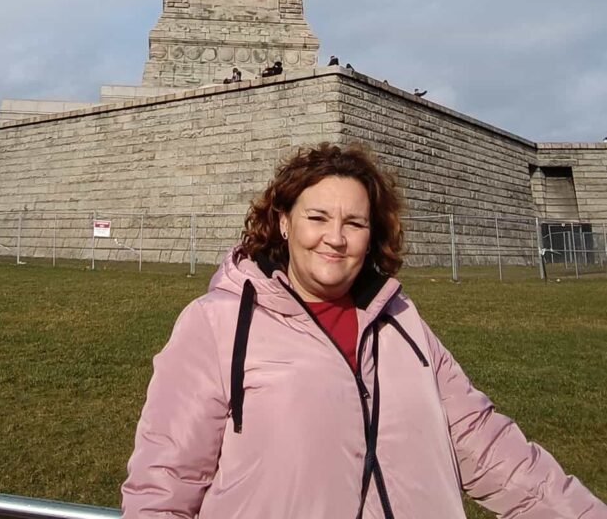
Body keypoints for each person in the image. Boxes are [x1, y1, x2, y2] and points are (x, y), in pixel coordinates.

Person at [122, 143, 606, 519]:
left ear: (371, 234)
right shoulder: (216, 323)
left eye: (354, 222)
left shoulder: (401, 321)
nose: (335, 237)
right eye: (317, 218)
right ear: (284, 222)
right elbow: (164, 482)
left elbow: (487, 446)